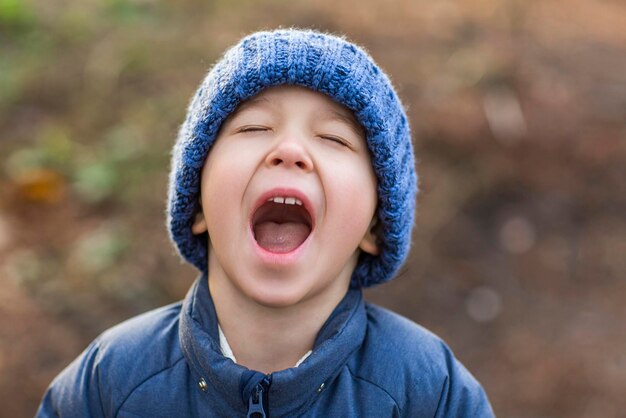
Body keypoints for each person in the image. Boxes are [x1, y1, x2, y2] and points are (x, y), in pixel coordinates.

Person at [37, 28, 494, 417]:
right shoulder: (109, 382)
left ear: (376, 226)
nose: (290, 150)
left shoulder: (431, 393)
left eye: (333, 138)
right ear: (196, 204)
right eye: (254, 129)